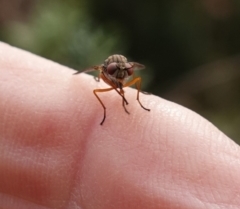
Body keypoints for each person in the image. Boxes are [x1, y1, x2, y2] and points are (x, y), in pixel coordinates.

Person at [0, 41, 239, 209]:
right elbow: (105, 82)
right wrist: (109, 101)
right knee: (99, 89)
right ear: (108, 69)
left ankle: (135, 98)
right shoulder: (104, 72)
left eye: (126, 70)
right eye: (118, 71)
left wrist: (133, 95)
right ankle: (118, 102)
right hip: (102, 86)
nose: (123, 74)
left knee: (132, 86)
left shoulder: (126, 72)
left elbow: (133, 75)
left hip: (125, 97)